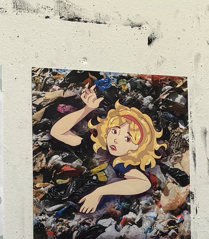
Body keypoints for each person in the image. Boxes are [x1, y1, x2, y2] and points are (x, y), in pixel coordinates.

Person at [50, 82, 164, 215]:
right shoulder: (95, 146)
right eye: (114, 131)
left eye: (127, 139)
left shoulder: (122, 163)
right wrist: (87, 108)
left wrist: (99, 192)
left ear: (138, 146)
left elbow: (143, 184)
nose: (116, 139)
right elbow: (57, 131)